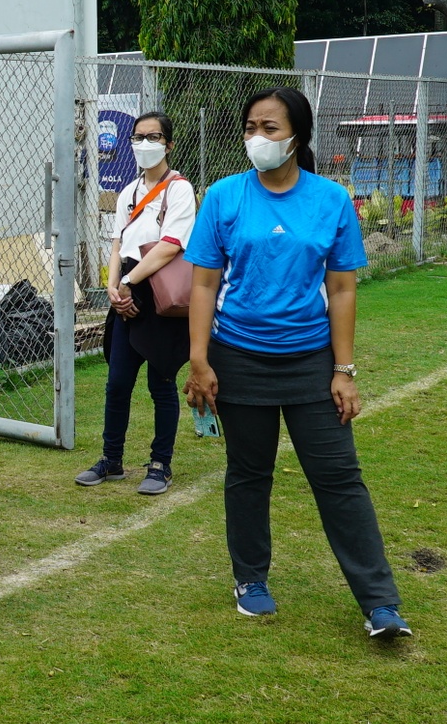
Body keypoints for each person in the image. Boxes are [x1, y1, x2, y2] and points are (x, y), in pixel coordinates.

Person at [181, 86, 412, 639]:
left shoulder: (330, 200)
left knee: (339, 478)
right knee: (248, 474)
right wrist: (199, 361)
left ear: (297, 137)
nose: (257, 139)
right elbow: (204, 283)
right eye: (251, 127)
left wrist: (344, 370)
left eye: (270, 128)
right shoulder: (223, 197)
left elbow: (342, 288)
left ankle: (380, 603)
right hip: (237, 359)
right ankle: (251, 581)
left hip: (311, 362)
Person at [78, 112, 195, 493]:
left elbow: (170, 245)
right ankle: (111, 460)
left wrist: (128, 282)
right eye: (139, 137)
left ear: (169, 144)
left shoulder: (179, 189)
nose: (145, 144)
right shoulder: (128, 192)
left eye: (154, 137)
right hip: (125, 291)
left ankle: (160, 463)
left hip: (157, 293)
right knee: (117, 384)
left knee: (161, 384)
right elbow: (117, 243)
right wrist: (113, 287)